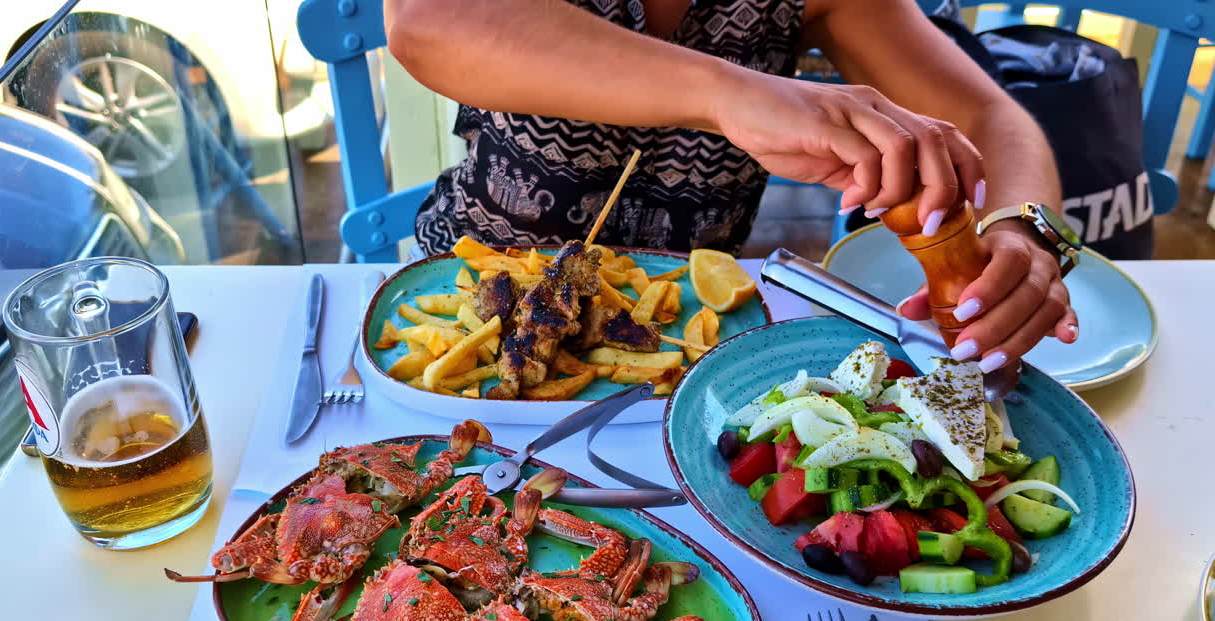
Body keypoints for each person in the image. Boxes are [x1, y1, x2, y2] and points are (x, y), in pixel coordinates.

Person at [384, 0, 1078, 371]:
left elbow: (990, 116)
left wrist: (1026, 231)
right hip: (461, 322)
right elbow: (427, 20)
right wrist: (732, 93)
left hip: (686, 347)